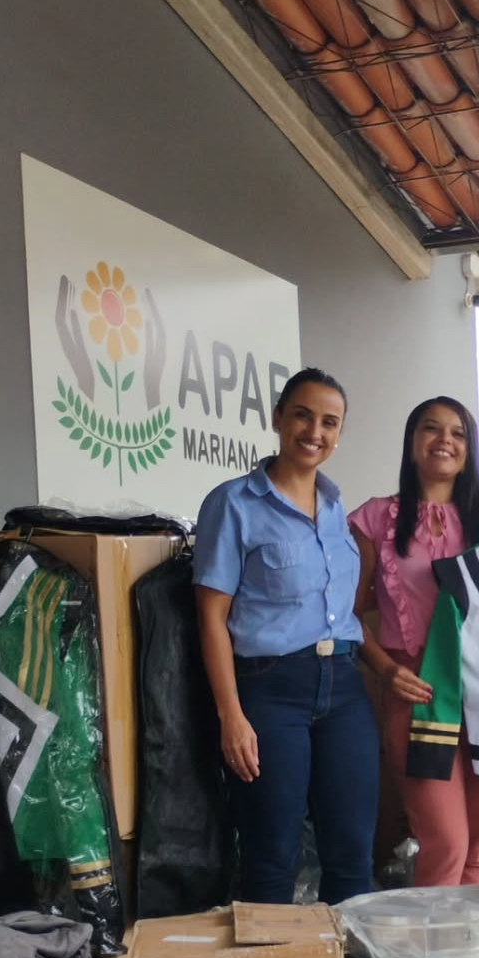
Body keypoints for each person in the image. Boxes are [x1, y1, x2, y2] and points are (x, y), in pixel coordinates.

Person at [194, 368, 378, 904]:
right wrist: (231, 716)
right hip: (270, 691)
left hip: (344, 687)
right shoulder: (234, 504)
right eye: (302, 415)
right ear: (278, 418)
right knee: (272, 857)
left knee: (352, 856)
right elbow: (211, 617)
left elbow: (344, 613)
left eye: (329, 422)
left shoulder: (337, 507)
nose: (314, 431)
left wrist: (385, 669)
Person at [349, 398, 479, 887]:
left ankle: (473, 941)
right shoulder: (374, 519)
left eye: (457, 433)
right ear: (412, 443)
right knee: (446, 842)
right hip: (417, 691)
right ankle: (433, 942)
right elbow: (347, 616)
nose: (445, 440)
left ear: (469, 449)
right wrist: (385, 670)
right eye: (431, 429)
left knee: (477, 849)